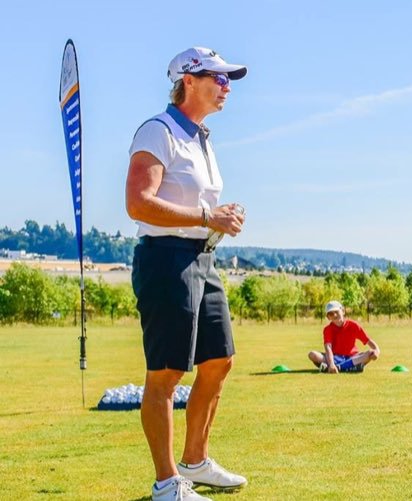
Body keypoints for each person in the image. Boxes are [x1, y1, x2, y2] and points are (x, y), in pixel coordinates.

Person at [126, 46, 250, 500]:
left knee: (220, 361)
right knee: (166, 373)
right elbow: (138, 203)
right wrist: (206, 215)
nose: (226, 86)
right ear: (188, 80)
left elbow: (201, 208)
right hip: (165, 261)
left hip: (202, 258)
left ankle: (194, 461)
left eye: (228, 79)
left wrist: (219, 217)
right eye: (218, 78)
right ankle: (166, 483)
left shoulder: (202, 137)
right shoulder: (157, 131)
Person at [310, 301, 380, 373]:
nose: (334, 315)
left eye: (336, 311)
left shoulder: (353, 325)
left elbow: (367, 340)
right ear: (328, 317)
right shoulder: (327, 329)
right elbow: (328, 348)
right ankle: (348, 367)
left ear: (343, 311)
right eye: (331, 314)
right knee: (312, 354)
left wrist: (377, 351)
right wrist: (331, 363)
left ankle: (336, 367)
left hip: (353, 357)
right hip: (335, 358)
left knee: (370, 353)